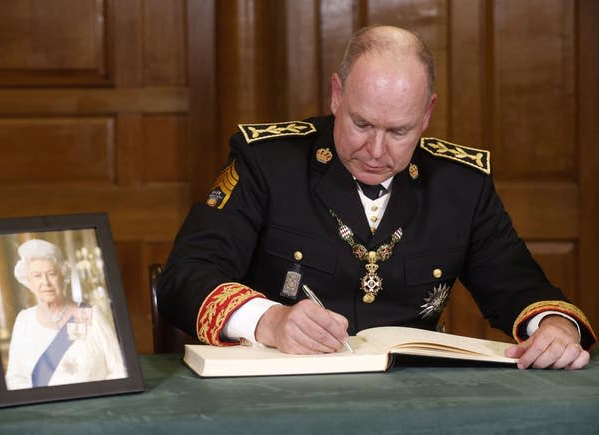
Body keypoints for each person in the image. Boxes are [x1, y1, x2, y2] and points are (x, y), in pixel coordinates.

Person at [158, 25, 596, 369]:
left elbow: (520, 286)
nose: (376, 150)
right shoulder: (267, 164)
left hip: (415, 402)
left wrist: (555, 327)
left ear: (427, 114)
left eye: (399, 132)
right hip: (282, 389)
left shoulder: (461, 184)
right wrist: (269, 320)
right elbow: (185, 276)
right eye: (362, 124)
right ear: (336, 95)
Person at [5, 238, 127, 390]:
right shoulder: (24, 321)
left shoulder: (92, 316)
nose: (46, 283)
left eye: (51, 274)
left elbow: (120, 370)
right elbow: (15, 378)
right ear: (29, 282)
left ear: (63, 276)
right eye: (37, 276)